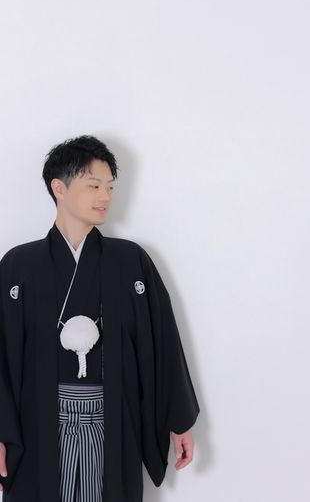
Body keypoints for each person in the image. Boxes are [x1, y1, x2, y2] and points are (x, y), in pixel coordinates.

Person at [0, 136, 200, 502]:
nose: (105, 196)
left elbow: (162, 342)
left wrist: (178, 420)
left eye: (110, 186)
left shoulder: (131, 261)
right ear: (59, 188)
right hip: (37, 424)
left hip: (113, 420)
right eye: (94, 186)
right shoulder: (18, 266)